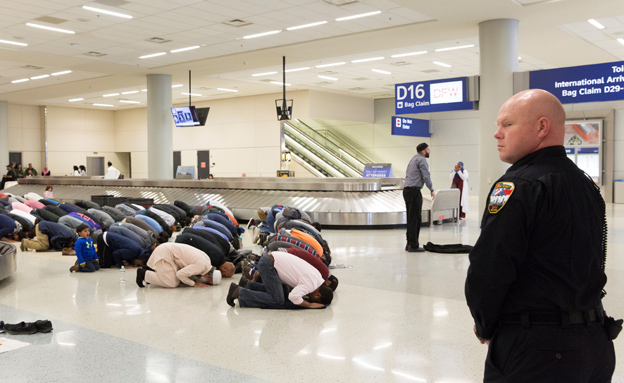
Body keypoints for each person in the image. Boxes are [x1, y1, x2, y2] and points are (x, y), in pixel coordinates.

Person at [465, 89, 617, 382]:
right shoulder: (585, 184)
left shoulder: (518, 185)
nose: (497, 134)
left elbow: (489, 268)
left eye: (507, 124)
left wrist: (484, 325)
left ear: (542, 127)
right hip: (594, 345)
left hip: (538, 352)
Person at [227, 250, 333, 309]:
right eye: (314, 299)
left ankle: (247, 285)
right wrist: (309, 305)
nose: (308, 298)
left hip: (272, 259)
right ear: (318, 295)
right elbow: (293, 297)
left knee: (282, 291)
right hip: (269, 264)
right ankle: (238, 292)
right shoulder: (311, 285)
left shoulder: (317, 277)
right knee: (278, 299)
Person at [135, 243, 213, 288]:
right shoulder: (200, 266)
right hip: (165, 252)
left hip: (168, 250)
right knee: (172, 283)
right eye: (208, 282)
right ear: (207, 276)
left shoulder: (208, 261)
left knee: (176, 279)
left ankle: (153, 271)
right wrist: (194, 284)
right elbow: (180, 274)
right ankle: (144, 274)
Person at [403, 143, 434, 253]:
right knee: (415, 218)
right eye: (428, 149)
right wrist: (431, 189)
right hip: (413, 191)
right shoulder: (422, 160)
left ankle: (409, 243)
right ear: (423, 151)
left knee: (411, 217)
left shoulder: (413, 159)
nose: (429, 151)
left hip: (407, 190)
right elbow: (426, 175)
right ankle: (414, 245)